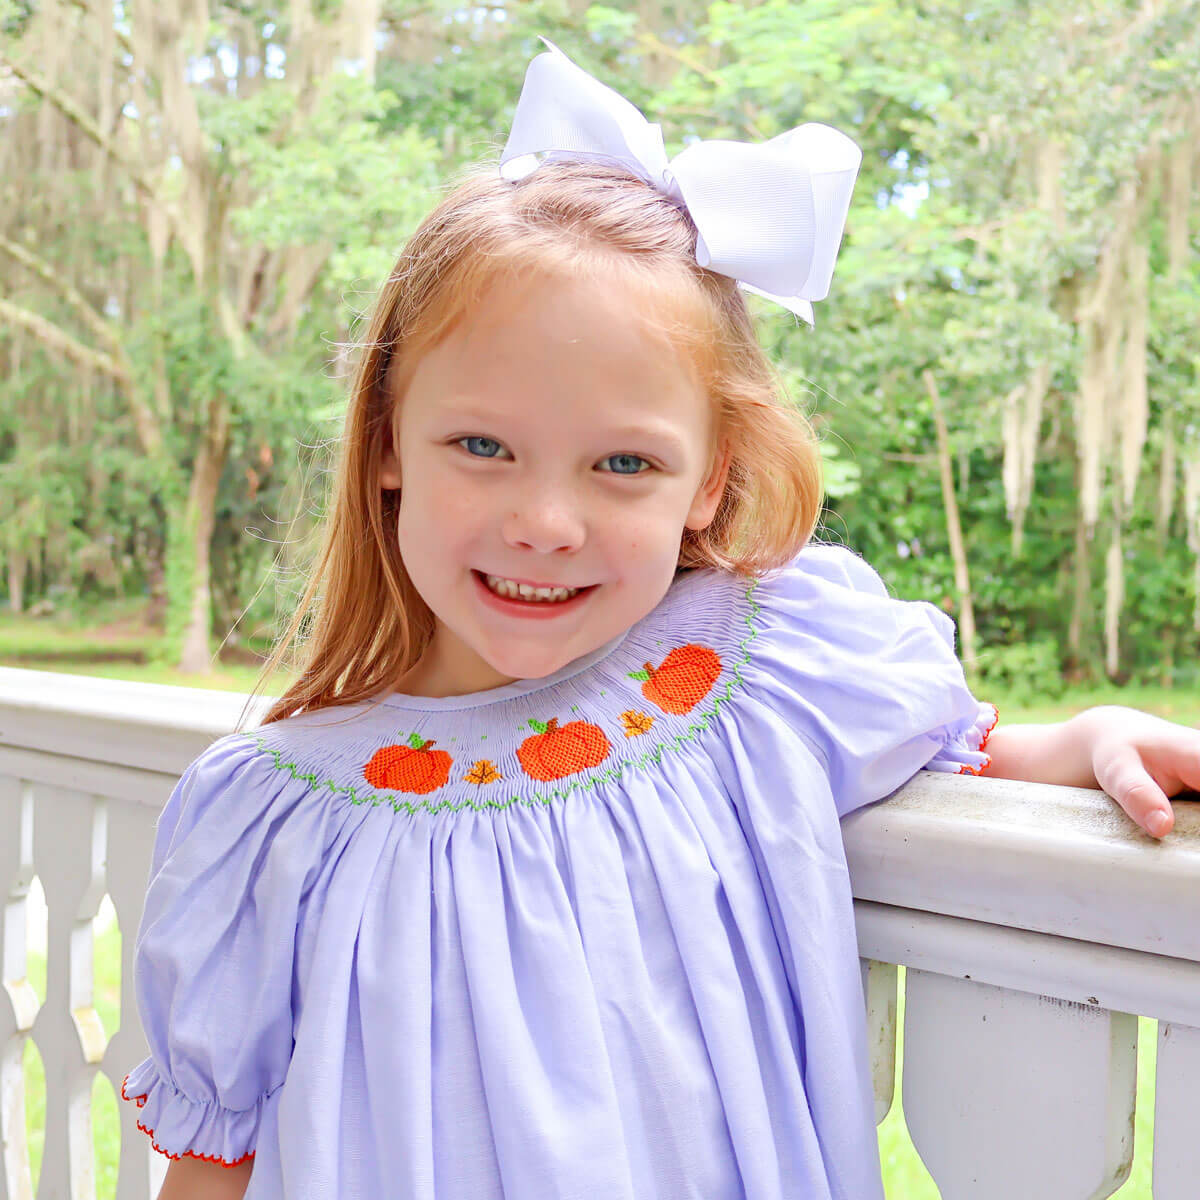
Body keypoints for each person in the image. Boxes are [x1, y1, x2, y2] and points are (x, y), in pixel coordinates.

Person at [120, 39, 1198, 1200]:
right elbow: (205, 1176)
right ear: (386, 438)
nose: (545, 521)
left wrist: (1080, 744)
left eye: (623, 463)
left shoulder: (749, 676)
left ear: (711, 479)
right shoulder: (278, 819)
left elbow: (960, 757)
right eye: (482, 446)